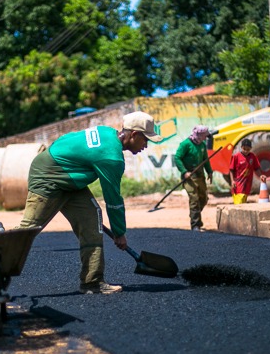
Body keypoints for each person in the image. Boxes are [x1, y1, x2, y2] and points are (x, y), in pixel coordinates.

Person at [18, 111, 162, 294]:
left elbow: (69, 140)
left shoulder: (107, 132)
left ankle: (92, 282)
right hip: (49, 176)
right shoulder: (111, 156)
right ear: (134, 134)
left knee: (92, 221)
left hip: (71, 180)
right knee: (28, 229)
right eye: (145, 139)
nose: (146, 145)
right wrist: (119, 233)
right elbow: (113, 200)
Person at [174, 125, 213, 231]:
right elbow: (177, 157)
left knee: (203, 199)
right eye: (204, 136)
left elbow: (206, 159)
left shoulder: (202, 145)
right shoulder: (186, 144)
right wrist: (184, 171)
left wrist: (209, 172)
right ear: (199, 135)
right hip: (189, 178)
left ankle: (194, 215)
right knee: (194, 199)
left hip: (200, 176)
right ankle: (195, 224)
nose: (205, 138)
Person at [229, 138, 267, 204]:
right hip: (238, 186)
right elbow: (231, 170)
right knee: (239, 204)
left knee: (243, 204)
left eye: (248, 149)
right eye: (244, 149)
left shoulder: (252, 157)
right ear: (241, 147)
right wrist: (232, 181)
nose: (246, 151)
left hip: (247, 185)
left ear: (251, 148)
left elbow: (257, 168)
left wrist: (260, 176)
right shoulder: (236, 157)